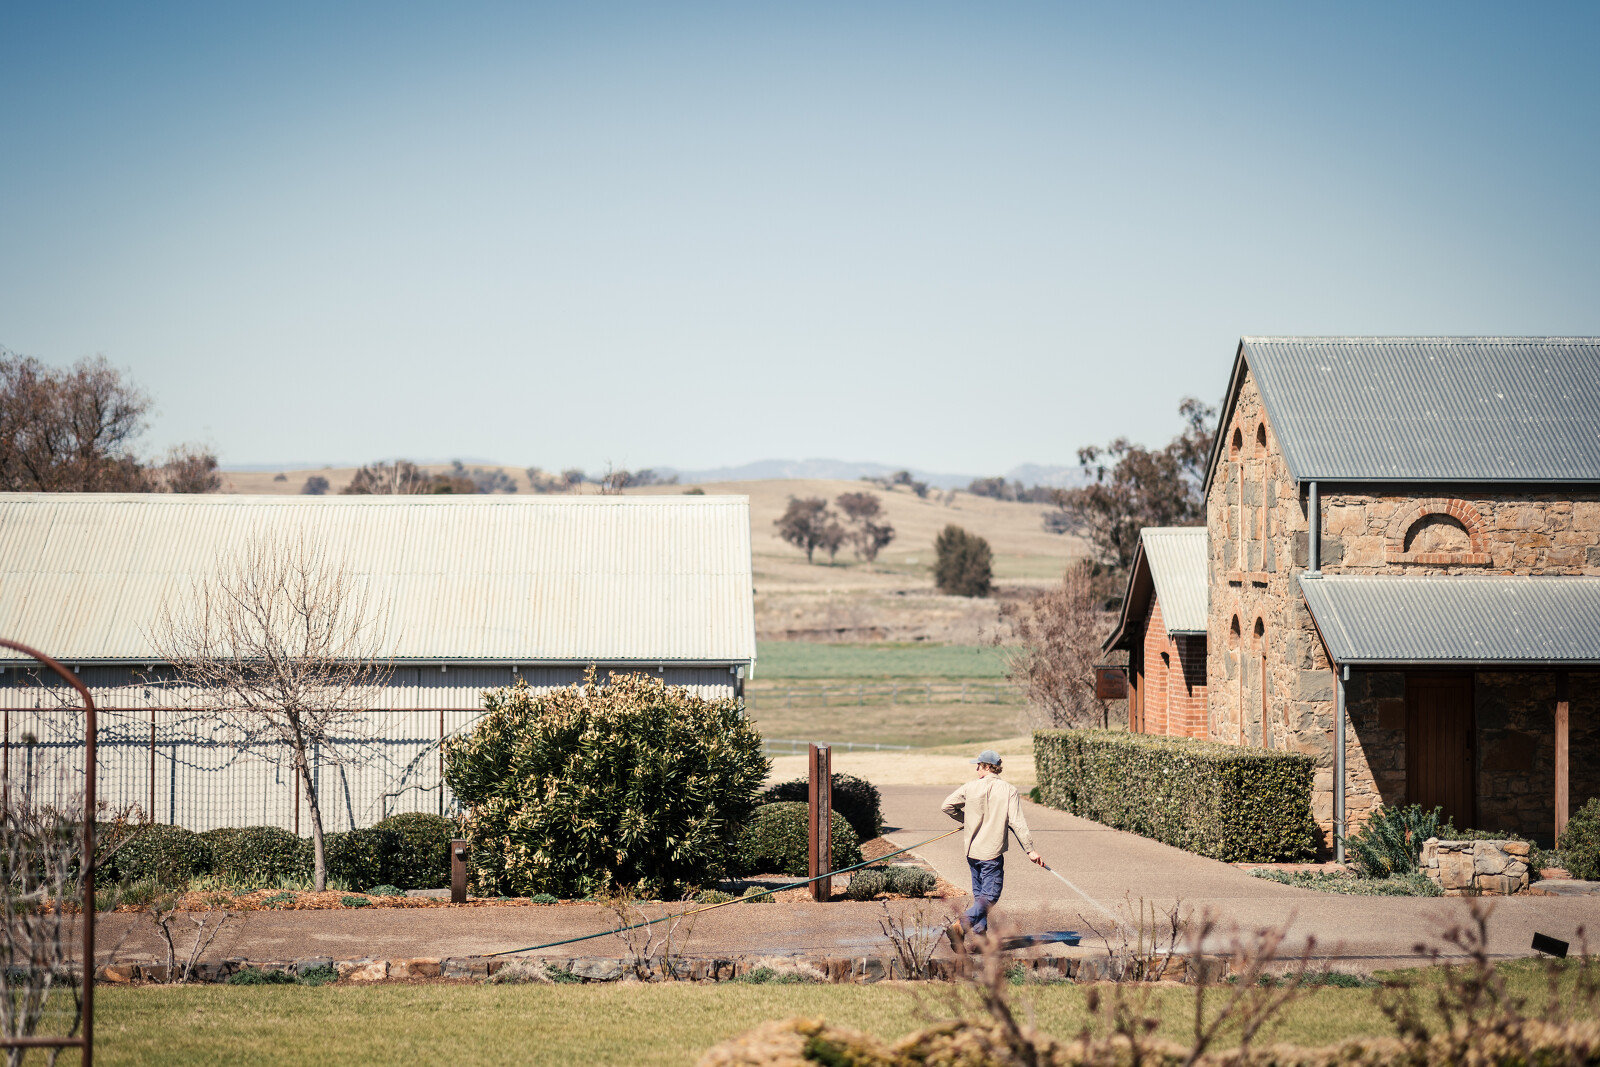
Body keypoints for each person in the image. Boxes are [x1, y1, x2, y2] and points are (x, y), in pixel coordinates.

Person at [941, 749, 1044, 941]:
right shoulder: (1009, 790)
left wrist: (967, 820)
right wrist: (1030, 850)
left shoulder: (970, 787)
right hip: (991, 853)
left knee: (981, 896)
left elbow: (947, 806)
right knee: (990, 897)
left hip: (972, 852)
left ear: (987, 766)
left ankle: (980, 936)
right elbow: (1017, 822)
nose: (977, 770)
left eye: (978, 766)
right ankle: (961, 925)